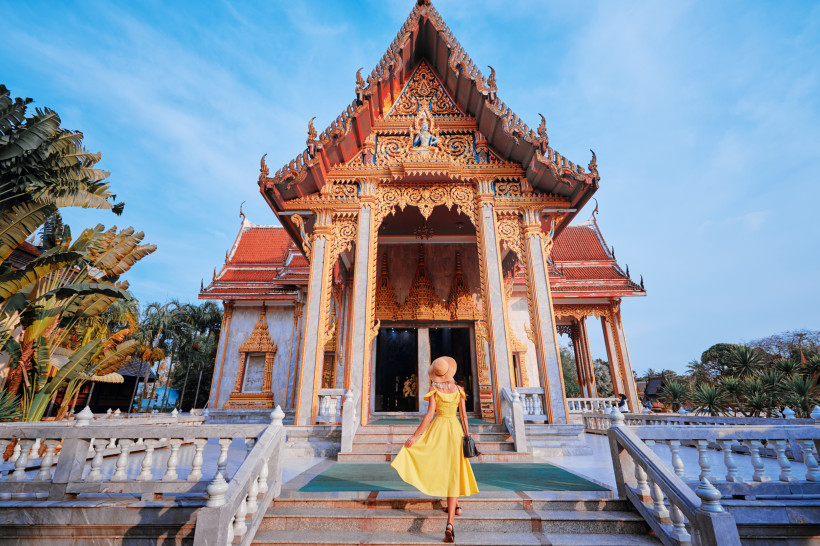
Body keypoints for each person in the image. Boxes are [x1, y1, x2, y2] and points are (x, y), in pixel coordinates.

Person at [391, 356, 479, 543]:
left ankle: (454, 506)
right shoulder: (459, 390)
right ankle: (450, 523)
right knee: (454, 472)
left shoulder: (434, 390)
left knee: (438, 465)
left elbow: (430, 415)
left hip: (438, 430)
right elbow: (463, 416)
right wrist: (467, 436)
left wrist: (415, 436)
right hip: (455, 432)